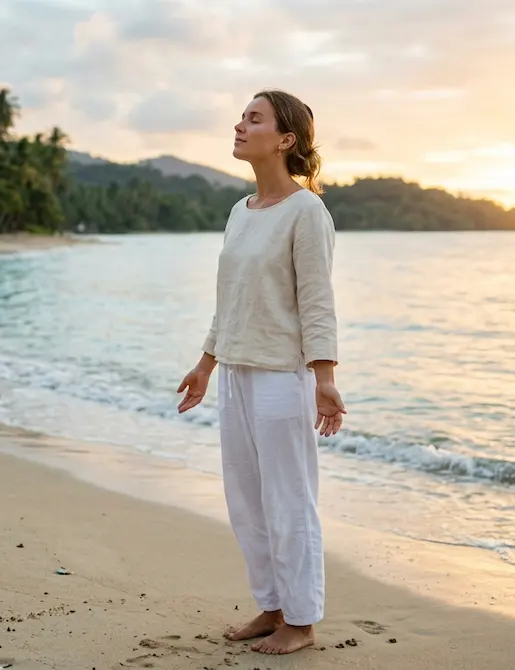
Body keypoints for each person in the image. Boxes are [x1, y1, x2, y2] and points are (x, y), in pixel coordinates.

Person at [176, 89, 346, 656]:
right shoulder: (238, 212)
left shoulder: (307, 211)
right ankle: (271, 607)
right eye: (242, 117)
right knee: (246, 500)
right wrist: (205, 364)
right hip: (237, 374)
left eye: (255, 119)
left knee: (288, 500)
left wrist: (323, 378)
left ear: (286, 139)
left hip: (282, 377)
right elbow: (231, 301)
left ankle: (301, 622)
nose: (240, 125)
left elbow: (317, 301)